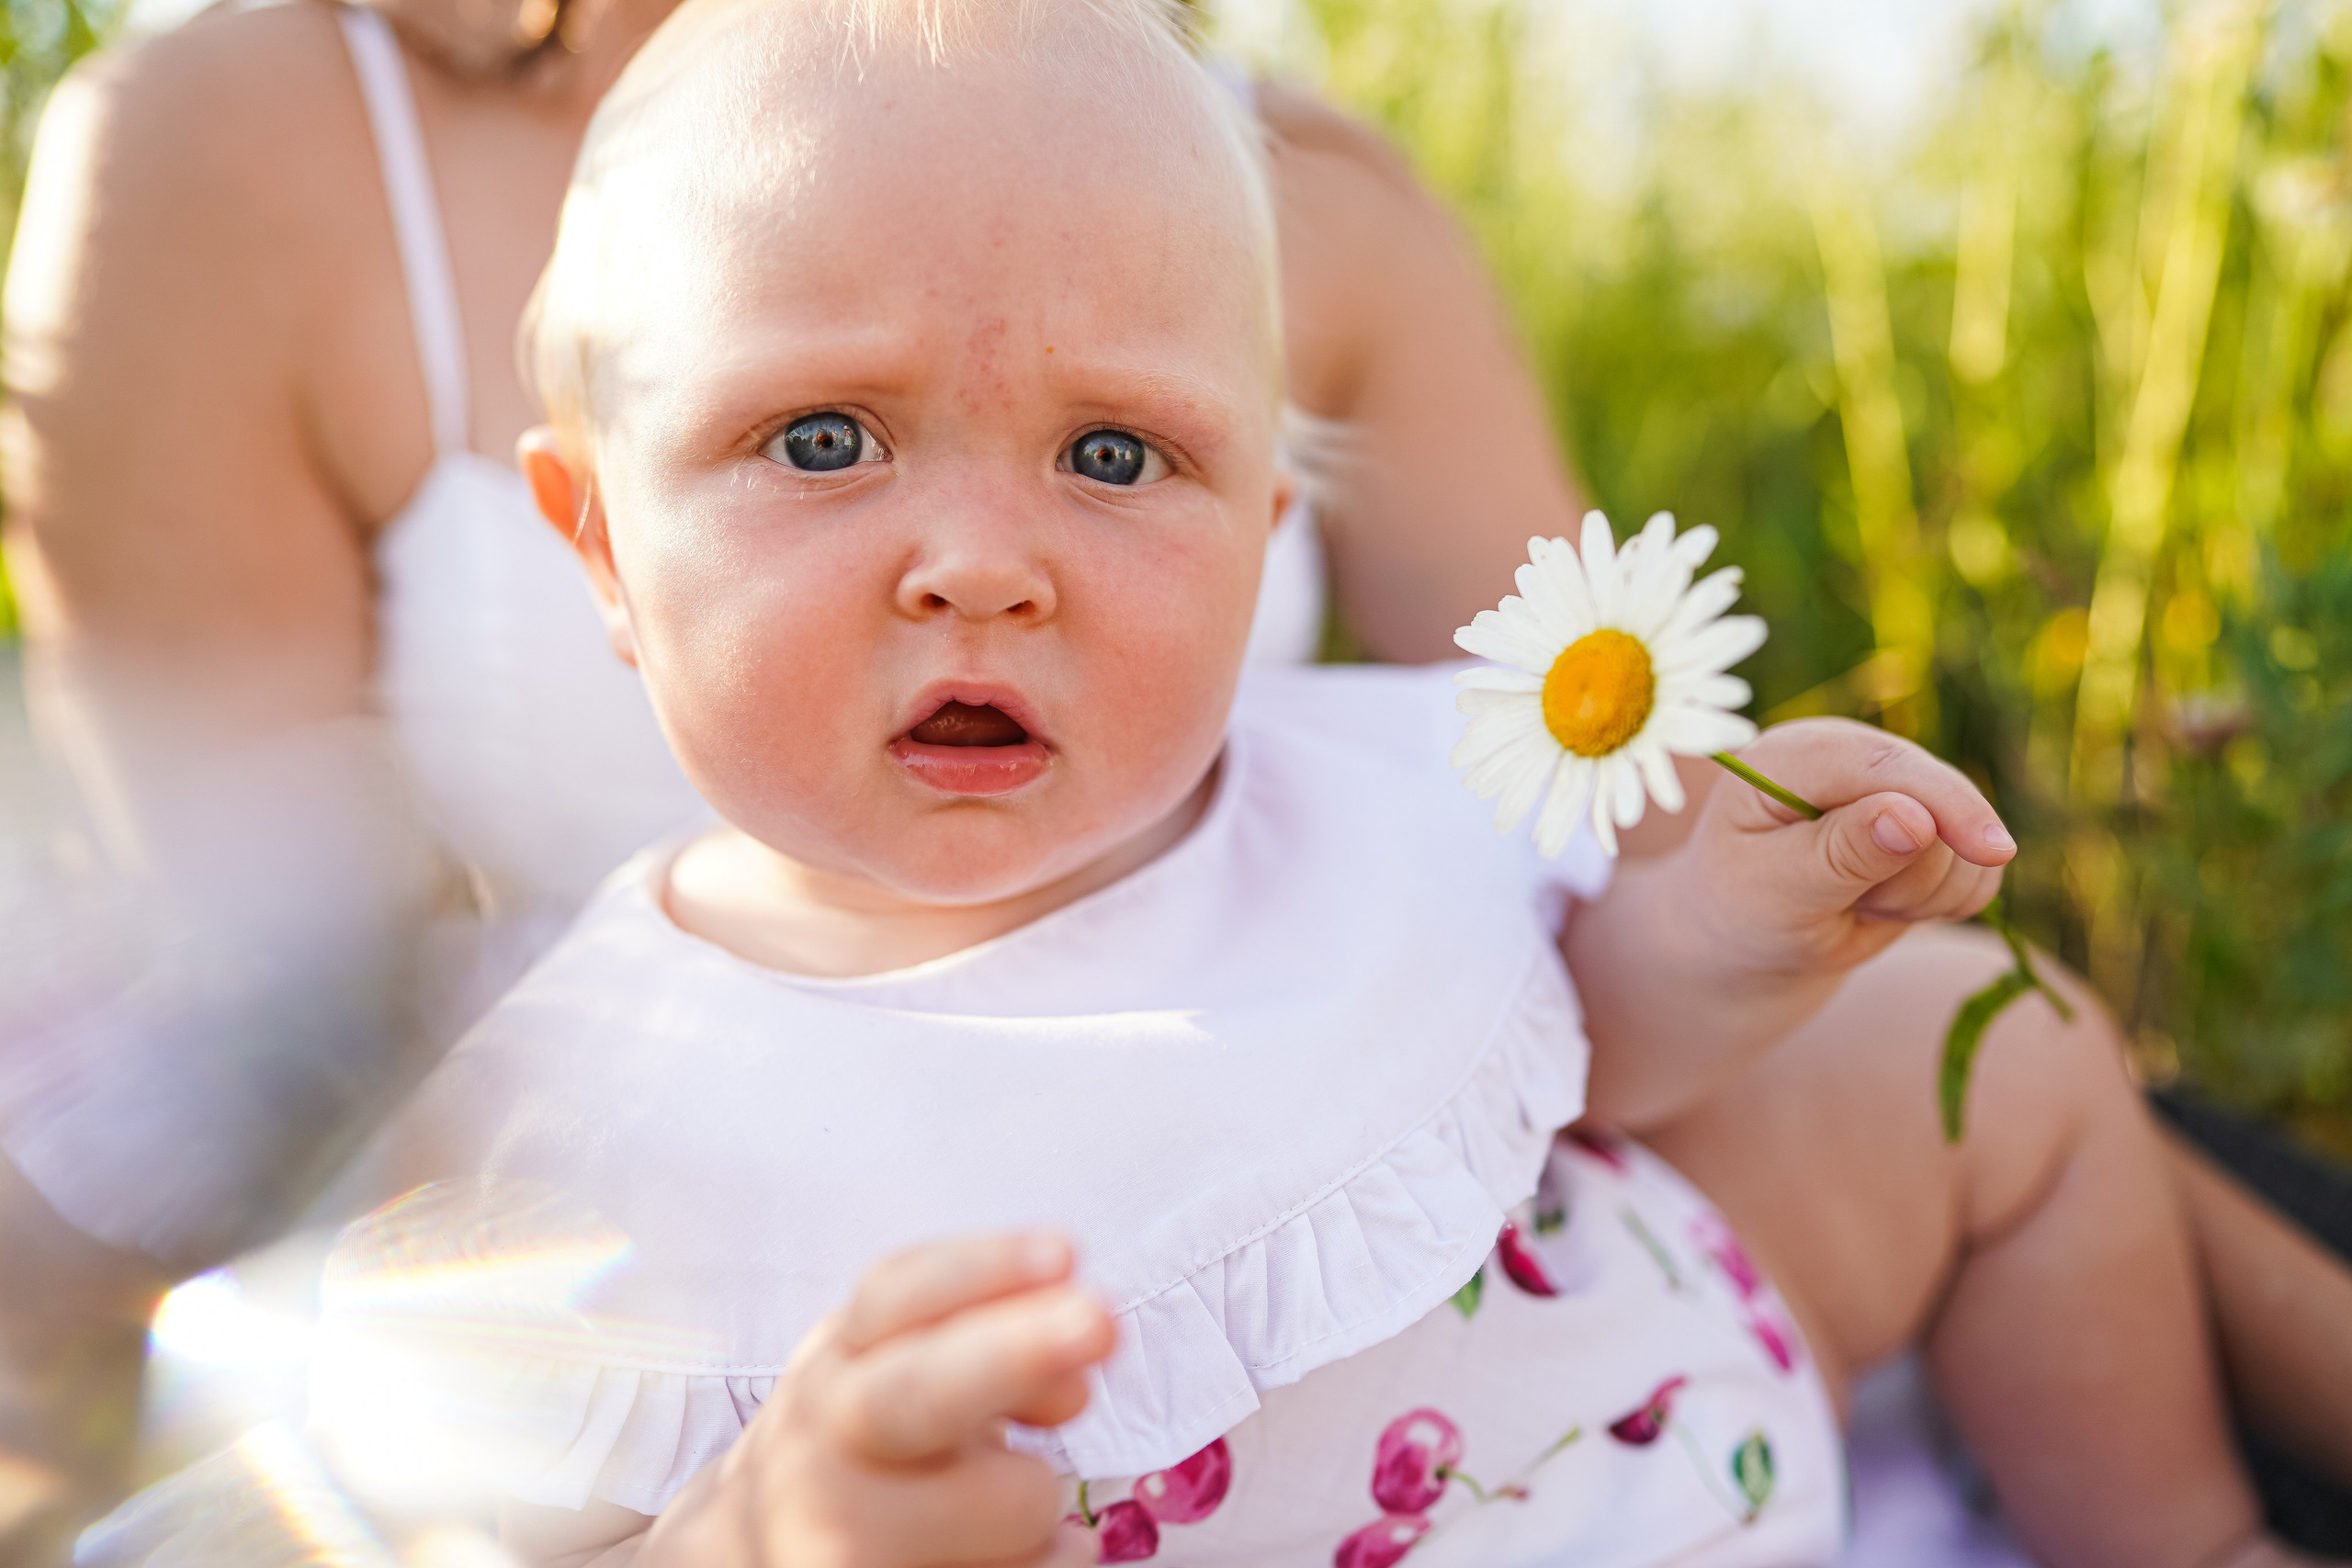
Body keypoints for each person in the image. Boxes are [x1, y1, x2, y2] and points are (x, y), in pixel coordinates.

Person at [1, 0, 2346, 1557]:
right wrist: (777, 1523)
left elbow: (1547, 1002)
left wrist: (1733, 921)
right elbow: (474, 1452)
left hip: (1663, 1401)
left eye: (1116, 456)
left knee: (1997, 1047)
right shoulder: (562, 1117)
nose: (979, 566)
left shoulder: (1333, 777)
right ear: (599, 543)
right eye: (818, 441)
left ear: (1263, 520)